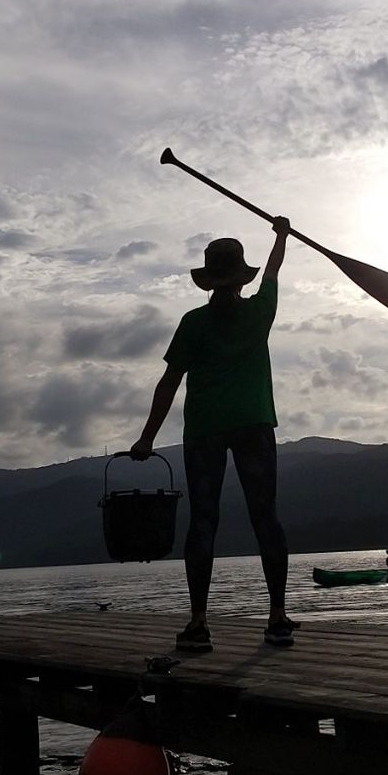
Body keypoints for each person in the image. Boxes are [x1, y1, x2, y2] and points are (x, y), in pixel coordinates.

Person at [130, 216, 298, 651]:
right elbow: (275, 270)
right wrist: (280, 236)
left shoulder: (193, 322)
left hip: (204, 429)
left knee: (204, 519)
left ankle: (199, 623)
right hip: (254, 424)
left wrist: (147, 437)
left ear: (209, 281)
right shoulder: (260, 311)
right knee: (266, 516)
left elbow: (168, 383)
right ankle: (277, 617)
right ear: (241, 278)